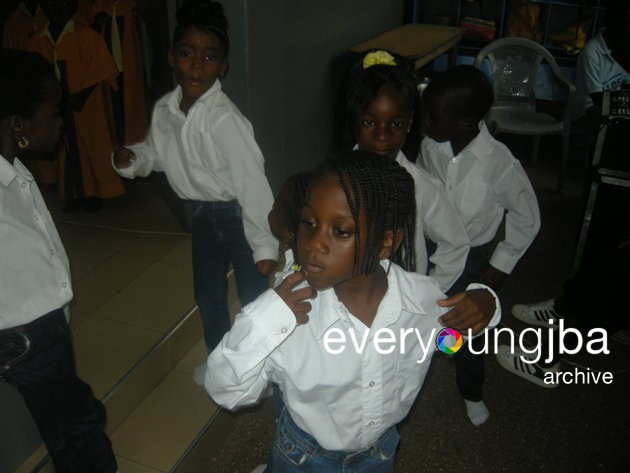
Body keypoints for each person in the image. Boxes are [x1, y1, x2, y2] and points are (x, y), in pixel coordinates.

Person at [206, 150, 500, 472]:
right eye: (308, 223)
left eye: (341, 231)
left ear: (386, 243)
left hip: (379, 454)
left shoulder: (421, 302)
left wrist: (485, 305)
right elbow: (226, 389)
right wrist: (267, 319)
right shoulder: (289, 318)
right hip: (302, 456)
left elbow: (449, 342)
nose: (313, 244)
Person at [113, 0, 278, 359]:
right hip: (202, 218)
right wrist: (135, 159)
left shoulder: (224, 120)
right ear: (172, 57)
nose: (197, 65)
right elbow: (157, 153)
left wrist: (264, 244)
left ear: (223, 66)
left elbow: (252, 184)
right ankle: (220, 360)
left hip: (238, 217)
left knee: (254, 298)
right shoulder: (164, 111)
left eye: (210, 57)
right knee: (207, 294)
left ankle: (263, 365)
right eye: (187, 53)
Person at [340, 51, 498, 424]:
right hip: (348, 299)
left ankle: (453, 391)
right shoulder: (335, 180)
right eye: (370, 122)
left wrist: (431, 288)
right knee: (348, 370)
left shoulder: (420, 186)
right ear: (354, 121)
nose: (382, 136)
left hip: (401, 306)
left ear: (410, 123)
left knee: (399, 372)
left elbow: (456, 242)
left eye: (395, 124)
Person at [0, 48, 119, 473]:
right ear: (20, 125)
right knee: (84, 419)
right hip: (27, 333)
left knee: (59, 422)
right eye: (53, 114)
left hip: (38, 326)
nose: (61, 122)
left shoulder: (12, 168)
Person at [420, 65, 541, 425]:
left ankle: (471, 389)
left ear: (465, 121)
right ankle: (430, 356)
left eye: (433, 115)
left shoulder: (499, 163)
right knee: (427, 311)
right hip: (434, 247)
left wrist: (494, 272)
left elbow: (527, 217)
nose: (424, 121)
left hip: (473, 259)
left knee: (471, 329)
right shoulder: (430, 146)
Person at [30, 0, 125, 212]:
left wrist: (81, 95)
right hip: (55, 105)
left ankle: (94, 192)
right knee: (65, 148)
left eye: (61, 5)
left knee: (91, 145)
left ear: (71, 7)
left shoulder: (87, 36)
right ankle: (72, 193)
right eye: (51, 5)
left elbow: (102, 69)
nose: (56, 10)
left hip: (86, 104)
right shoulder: (38, 40)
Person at [88, 0, 149, 145]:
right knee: (112, 107)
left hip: (129, 63)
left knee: (131, 103)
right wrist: (96, 24)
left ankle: (135, 142)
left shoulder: (130, 4)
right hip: (108, 67)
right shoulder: (99, 5)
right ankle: (117, 143)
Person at [573, 1, 630, 130]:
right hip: (588, 110)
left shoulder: (621, 48)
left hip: (610, 105)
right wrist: (626, 105)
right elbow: (598, 99)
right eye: (627, 25)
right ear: (613, 25)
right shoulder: (591, 53)